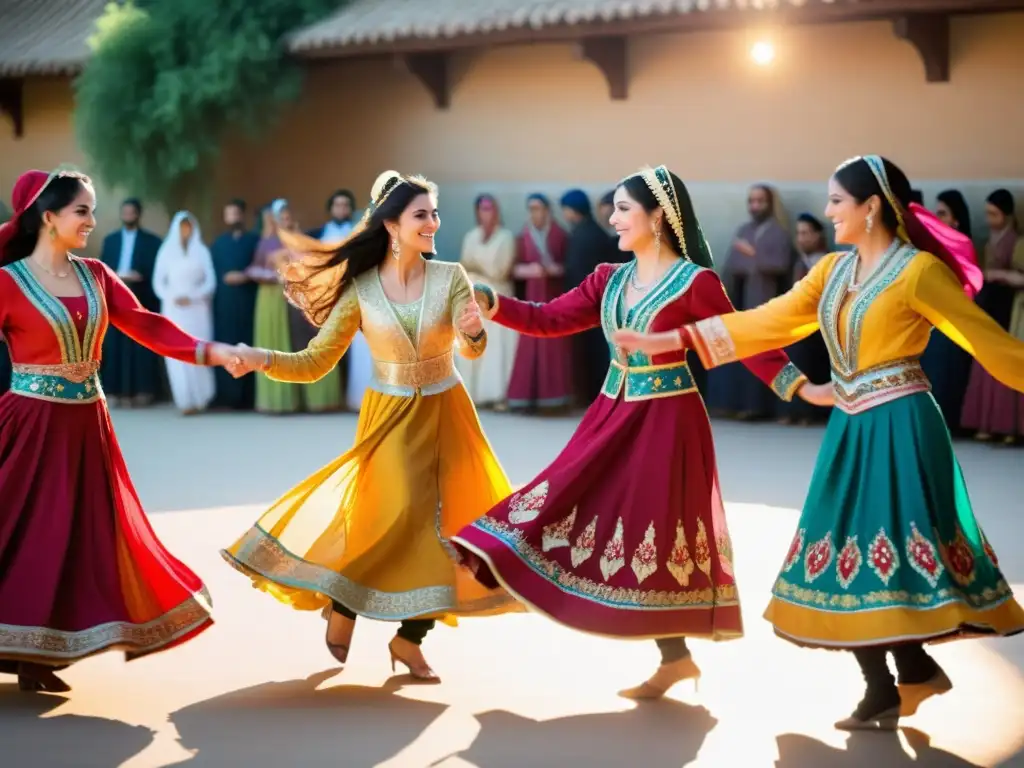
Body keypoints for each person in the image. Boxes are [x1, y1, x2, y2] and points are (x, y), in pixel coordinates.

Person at [613, 156, 1024, 730]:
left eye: (836, 200)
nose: (827, 210)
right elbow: (770, 320)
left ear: (871, 206)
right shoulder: (833, 271)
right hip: (851, 426)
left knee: (887, 556)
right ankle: (902, 679)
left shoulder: (918, 273)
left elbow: (991, 344)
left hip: (903, 425)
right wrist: (676, 336)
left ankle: (893, 682)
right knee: (841, 558)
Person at [452, 165, 828, 700]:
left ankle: (673, 656)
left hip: (668, 422)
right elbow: (549, 318)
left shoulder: (696, 283)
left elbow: (741, 339)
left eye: (624, 209)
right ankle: (497, 559)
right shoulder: (609, 279)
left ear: (658, 217)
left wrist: (801, 387)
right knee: (568, 498)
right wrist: (493, 305)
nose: (613, 218)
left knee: (653, 533)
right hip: (610, 413)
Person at [221, 171, 522, 682]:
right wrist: (261, 358)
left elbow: (471, 348)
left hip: (448, 412)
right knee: (394, 516)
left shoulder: (451, 276)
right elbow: (316, 362)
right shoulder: (360, 290)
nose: (433, 223)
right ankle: (345, 601)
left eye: (434, 213)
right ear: (391, 225)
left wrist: (472, 334)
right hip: (389, 420)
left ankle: (410, 640)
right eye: (421, 215)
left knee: (452, 529)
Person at [0, 169, 238, 692]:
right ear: (48, 217)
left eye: (90, 209)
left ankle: (38, 653)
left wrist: (214, 352)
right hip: (30, 428)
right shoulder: (7, 282)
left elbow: (147, 325)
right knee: (22, 534)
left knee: (78, 538)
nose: (92, 219)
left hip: (88, 426)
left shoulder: (97, 276)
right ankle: (20, 647)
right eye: (81, 210)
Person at [708, 184, 795, 420]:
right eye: (752, 201)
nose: (755, 206)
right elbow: (732, 263)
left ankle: (763, 408)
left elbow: (781, 264)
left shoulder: (779, 232)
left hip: (766, 303)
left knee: (765, 357)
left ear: (770, 203)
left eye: (760, 201)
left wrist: (753, 257)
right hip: (742, 301)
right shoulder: (744, 230)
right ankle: (741, 406)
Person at [247, 200, 343, 414]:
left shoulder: (301, 240)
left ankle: (318, 400)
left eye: (288, 216)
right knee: (285, 348)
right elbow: (255, 269)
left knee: (309, 344)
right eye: (282, 216)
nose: (286, 220)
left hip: (305, 299)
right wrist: (277, 275)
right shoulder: (267, 241)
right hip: (278, 303)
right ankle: (286, 401)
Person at [960, 189, 1020, 442]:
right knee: (986, 362)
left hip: (1010, 307)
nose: (989, 219)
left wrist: (998, 275)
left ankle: (1008, 426)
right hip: (991, 305)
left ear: (1006, 215)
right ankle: (985, 422)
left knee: (1006, 361)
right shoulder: (990, 242)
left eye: (994, 214)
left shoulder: (1017, 242)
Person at [505, 193, 573, 413]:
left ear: (547, 210)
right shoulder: (523, 237)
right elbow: (513, 268)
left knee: (553, 347)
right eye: (532, 209)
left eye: (540, 208)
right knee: (530, 346)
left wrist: (556, 269)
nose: (536, 213)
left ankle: (554, 399)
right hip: (532, 298)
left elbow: (570, 266)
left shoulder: (560, 235)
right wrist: (529, 270)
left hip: (554, 298)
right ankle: (525, 398)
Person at [560, 189, 625, 406]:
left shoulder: (585, 235)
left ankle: (596, 397)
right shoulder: (596, 233)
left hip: (591, 303)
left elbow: (579, 272)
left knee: (594, 353)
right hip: (600, 302)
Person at [920, 190, 976, 434]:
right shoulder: (931, 246)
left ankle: (948, 424)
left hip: (953, 317)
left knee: (947, 369)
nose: (937, 217)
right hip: (930, 316)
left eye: (942, 213)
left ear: (956, 220)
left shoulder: (963, 246)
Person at [99, 197, 163, 407]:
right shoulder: (111, 240)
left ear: (138, 214)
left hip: (140, 295)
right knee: (116, 346)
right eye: (125, 212)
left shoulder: (152, 242)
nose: (128, 216)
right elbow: (102, 270)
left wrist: (140, 274)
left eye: (131, 212)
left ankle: (143, 391)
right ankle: (116, 391)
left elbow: (157, 271)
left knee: (139, 346)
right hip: (116, 298)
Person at [153, 211, 217, 415]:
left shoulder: (202, 251)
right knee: (177, 353)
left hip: (197, 309)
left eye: (188, 226)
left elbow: (210, 282)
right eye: (182, 227)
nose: (185, 231)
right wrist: (171, 297)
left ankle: (201, 398)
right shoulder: (166, 251)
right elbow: (158, 282)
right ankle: (184, 400)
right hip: (174, 309)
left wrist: (195, 296)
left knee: (198, 349)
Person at [457, 194, 517, 409]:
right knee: (471, 339)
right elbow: (463, 266)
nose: (486, 212)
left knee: (496, 347)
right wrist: (476, 269)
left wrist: (477, 267)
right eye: (482, 208)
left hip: (497, 296)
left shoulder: (506, 237)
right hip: (474, 296)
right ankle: (472, 394)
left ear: (497, 211)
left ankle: (497, 395)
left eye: (490, 208)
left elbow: (500, 271)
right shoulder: (471, 236)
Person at [777, 213, 832, 425]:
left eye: (806, 233)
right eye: (799, 233)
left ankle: (812, 413)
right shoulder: (799, 262)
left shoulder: (827, 261)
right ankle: (793, 410)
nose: (801, 238)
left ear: (818, 235)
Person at [210, 198, 259, 410]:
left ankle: (248, 398)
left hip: (248, 301)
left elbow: (261, 266)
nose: (233, 218)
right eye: (230, 214)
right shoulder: (218, 243)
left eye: (237, 214)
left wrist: (245, 276)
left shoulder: (254, 241)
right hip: (225, 304)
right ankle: (228, 397)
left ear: (242, 216)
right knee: (227, 346)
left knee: (248, 345)